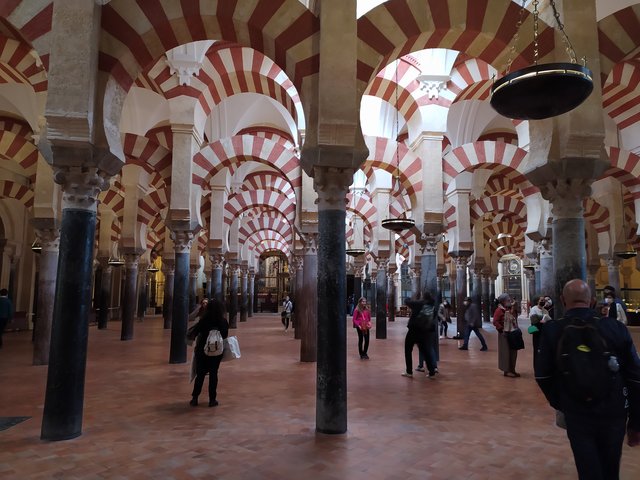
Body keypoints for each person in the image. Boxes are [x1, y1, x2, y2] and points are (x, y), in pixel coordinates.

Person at [534, 279, 640, 479]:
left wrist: (563, 402)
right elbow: (635, 377)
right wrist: (636, 421)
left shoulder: (552, 330)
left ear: (563, 300)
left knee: (588, 468)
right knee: (610, 468)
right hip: (614, 409)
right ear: (592, 300)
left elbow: (543, 376)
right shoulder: (615, 328)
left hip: (577, 412)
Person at [188, 299, 229, 407]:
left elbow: (195, 332)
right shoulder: (223, 321)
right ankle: (212, 400)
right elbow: (224, 335)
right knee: (213, 374)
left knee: (200, 374)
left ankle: (195, 398)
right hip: (216, 351)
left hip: (202, 350)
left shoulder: (204, 320)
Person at [402, 290, 437, 378]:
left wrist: (409, 298)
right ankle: (432, 372)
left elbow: (407, 302)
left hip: (414, 330)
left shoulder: (419, 303)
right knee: (425, 352)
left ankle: (409, 372)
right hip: (424, 331)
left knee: (408, 350)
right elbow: (433, 317)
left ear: (423, 296)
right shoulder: (433, 306)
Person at [492, 293, 520, 377]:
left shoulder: (509, 309)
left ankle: (512, 369)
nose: (510, 301)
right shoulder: (499, 310)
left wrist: (514, 307)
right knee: (506, 352)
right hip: (504, 333)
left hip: (512, 332)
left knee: (513, 352)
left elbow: (515, 317)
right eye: (508, 300)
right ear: (503, 301)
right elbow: (495, 321)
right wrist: (501, 329)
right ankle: (506, 370)